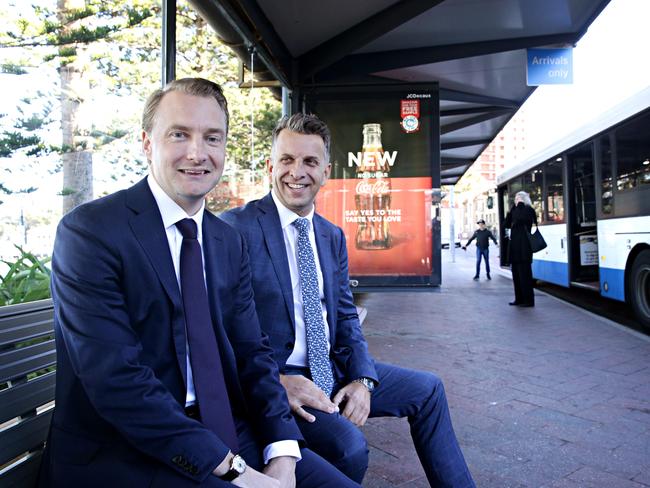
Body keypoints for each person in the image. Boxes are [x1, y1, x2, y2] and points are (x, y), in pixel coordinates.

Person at [39, 79, 360, 488]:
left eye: (212, 138)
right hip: (126, 452)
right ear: (147, 143)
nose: (197, 153)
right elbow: (116, 383)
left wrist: (281, 449)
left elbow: (253, 353)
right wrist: (237, 471)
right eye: (179, 134)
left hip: (224, 429)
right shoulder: (91, 233)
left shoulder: (226, 241)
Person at [221, 113, 475, 487]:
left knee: (428, 389)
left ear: (326, 171)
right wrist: (275, 380)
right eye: (287, 160)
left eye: (310, 162)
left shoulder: (331, 236)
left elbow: (344, 316)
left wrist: (362, 378)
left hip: (333, 368)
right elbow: (220, 324)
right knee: (349, 447)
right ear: (270, 166)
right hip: (282, 379)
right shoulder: (235, 228)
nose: (297, 172)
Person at [504, 191, 537, 307]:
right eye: (516, 198)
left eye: (519, 198)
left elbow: (521, 219)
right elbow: (507, 224)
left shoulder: (528, 210)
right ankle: (519, 298)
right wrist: (512, 209)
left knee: (525, 276)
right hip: (515, 248)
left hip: (524, 248)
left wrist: (520, 205)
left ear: (524, 199)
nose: (516, 200)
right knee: (516, 276)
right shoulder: (515, 210)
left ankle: (528, 300)